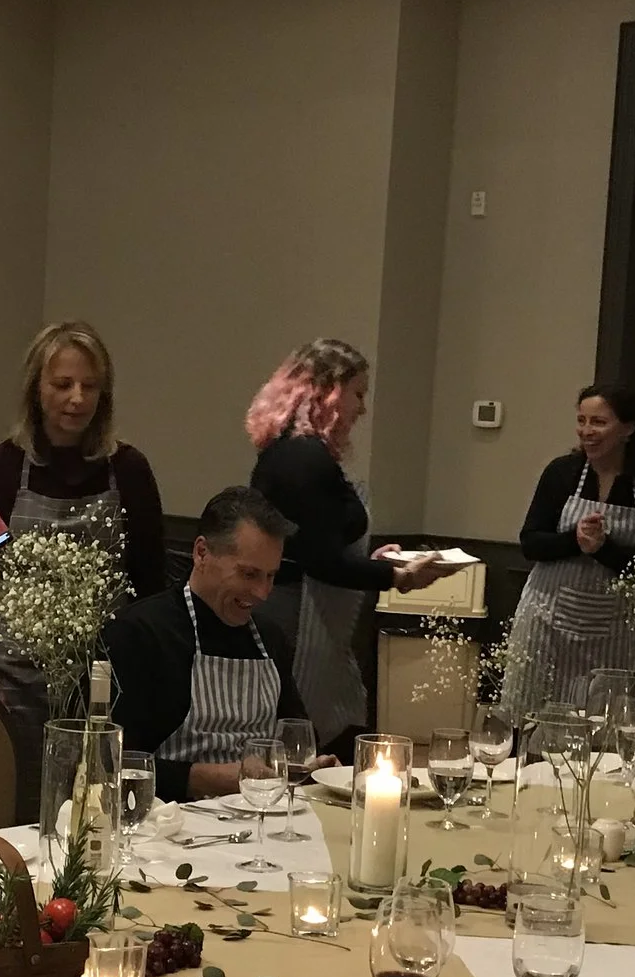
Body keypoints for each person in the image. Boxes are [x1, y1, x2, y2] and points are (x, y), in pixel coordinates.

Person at [0, 321, 167, 731]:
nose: (77, 398)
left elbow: (149, 583)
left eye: (90, 386)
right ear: (36, 388)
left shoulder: (129, 472)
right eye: (63, 384)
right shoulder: (0, 471)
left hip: (103, 688)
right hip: (8, 687)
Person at [245, 340, 446, 755]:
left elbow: (321, 542)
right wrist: (396, 575)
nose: (363, 408)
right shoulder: (303, 458)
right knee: (300, 733)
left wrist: (370, 562)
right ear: (329, 392)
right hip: (296, 615)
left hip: (309, 608)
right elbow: (321, 560)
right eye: (358, 393)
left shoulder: (295, 452)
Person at [105, 487, 310, 801]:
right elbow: (114, 766)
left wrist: (310, 767)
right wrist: (211, 778)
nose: (262, 593)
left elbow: (296, 737)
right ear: (201, 553)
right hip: (172, 821)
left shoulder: (270, 638)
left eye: (270, 576)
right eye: (249, 574)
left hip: (263, 814)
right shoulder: (139, 633)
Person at [499, 384, 635, 722]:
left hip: (614, 627)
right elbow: (530, 542)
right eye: (581, 421)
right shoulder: (561, 473)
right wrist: (575, 540)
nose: (586, 431)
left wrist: (604, 550)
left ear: (628, 429)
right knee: (531, 717)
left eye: (598, 422)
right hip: (547, 620)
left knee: (605, 723)